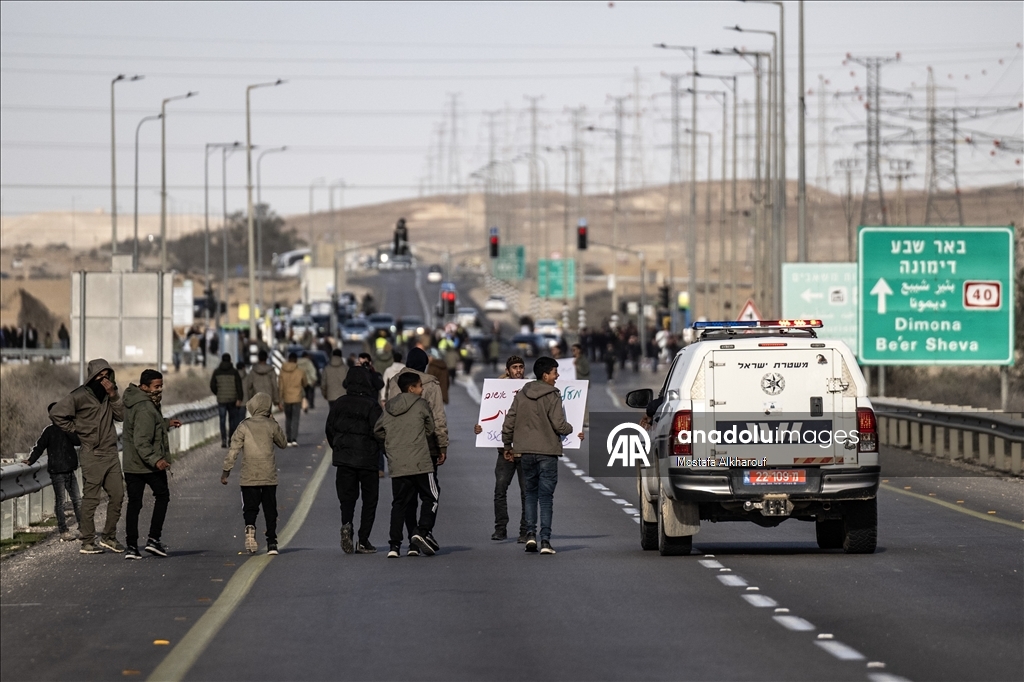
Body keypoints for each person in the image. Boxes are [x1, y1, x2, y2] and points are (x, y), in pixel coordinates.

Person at [501, 356, 582, 555]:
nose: (557, 376)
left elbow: (509, 421)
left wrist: (507, 444)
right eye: (555, 372)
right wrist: (572, 428)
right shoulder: (553, 395)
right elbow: (559, 424)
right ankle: (545, 540)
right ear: (545, 375)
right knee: (545, 498)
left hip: (525, 452)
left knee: (530, 494)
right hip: (547, 452)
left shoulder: (522, 394)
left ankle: (530, 535)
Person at [49, 359, 125, 555]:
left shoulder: (110, 395)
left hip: (110, 452)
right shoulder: (79, 395)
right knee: (91, 499)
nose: (104, 380)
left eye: (107, 376)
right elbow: (57, 414)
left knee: (117, 495)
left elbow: (122, 416)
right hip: (91, 453)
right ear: (92, 377)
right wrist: (76, 430)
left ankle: (109, 536)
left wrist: (114, 395)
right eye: (99, 377)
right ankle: (88, 541)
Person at [374, 372, 439, 558]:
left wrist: (392, 444)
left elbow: (378, 430)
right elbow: (431, 428)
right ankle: (421, 532)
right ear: (411, 388)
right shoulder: (421, 404)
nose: (422, 389)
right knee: (432, 496)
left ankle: (394, 545)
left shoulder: (389, 407)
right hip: (420, 462)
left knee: (399, 503)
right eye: (420, 386)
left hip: (398, 463)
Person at [121, 369, 181, 560]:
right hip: (147, 465)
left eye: (161, 386)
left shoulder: (134, 401)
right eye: (156, 386)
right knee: (162, 496)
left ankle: (131, 546)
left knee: (134, 504)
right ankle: (153, 539)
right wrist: (156, 459)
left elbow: (145, 426)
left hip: (131, 464)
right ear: (144, 387)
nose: (159, 390)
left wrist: (165, 423)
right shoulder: (146, 407)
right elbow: (142, 440)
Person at [325, 366, 383, 554]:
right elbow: (379, 431)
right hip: (367, 459)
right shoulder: (372, 405)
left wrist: (338, 447)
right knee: (369, 500)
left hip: (344, 459)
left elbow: (329, 428)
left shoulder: (339, 403)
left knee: (347, 498)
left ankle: (346, 524)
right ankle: (364, 540)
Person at [221, 392, 288, 554]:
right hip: (268, 475)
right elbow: (283, 443)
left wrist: (226, 471)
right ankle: (272, 542)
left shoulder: (244, 426)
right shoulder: (271, 425)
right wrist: (274, 421)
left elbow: (234, 450)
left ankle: (250, 528)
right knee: (270, 509)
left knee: (250, 508)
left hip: (249, 476)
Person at [473, 356, 528, 542]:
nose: (518, 370)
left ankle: (525, 531)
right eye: (514, 368)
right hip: (503, 451)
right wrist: (480, 429)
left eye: (521, 367)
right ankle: (500, 528)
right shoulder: (497, 391)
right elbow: (490, 418)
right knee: (500, 490)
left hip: (526, 451)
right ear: (508, 371)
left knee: (526, 493)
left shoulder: (531, 390)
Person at [24, 403, 83, 542]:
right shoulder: (49, 431)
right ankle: (64, 531)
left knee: (77, 500)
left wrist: (69, 427)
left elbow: (78, 441)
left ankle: (82, 529)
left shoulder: (69, 428)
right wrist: (31, 460)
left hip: (69, 469)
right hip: (57, 472)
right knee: (61, 502)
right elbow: (39, 447)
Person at [210, 353, 244, 448]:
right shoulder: (234, 372)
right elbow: (239, 386)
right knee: (232, 420)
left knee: (222, 420)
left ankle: (223, 440)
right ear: (230, 360)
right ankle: (230, 439)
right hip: (232, 399)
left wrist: (218, 392)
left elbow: (212, 385)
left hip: (221, 400)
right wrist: (239, 398)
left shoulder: (216, 372)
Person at [278, 352, 308, 446]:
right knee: (295, 418)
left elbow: (280, 387)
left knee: (288, 419)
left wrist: (280, 400)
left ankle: (289, 439)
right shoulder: (300, 371)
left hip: (286, 398)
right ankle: (294, 439)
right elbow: (305, 383)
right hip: (297, 398)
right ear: (296, 360)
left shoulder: (282, 372)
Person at [572, 343, 591, 428]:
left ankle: (586, 420)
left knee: (583, 402)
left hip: (582, 383)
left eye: (574, 350)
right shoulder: (572, 359)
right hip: (574, 383)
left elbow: (585, 371)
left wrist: (577, 366)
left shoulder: (583, 360)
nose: (573, 352)